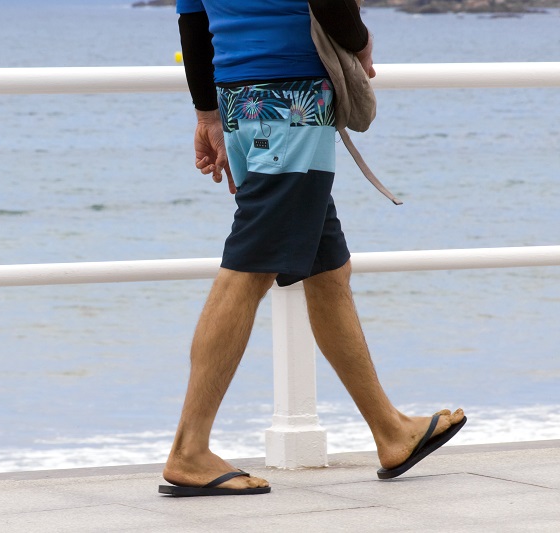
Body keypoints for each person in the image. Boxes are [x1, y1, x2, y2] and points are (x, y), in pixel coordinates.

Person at [159, 0, 466, 497]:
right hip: (292, 100)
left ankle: (390, 431)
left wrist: (207, 113)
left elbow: (192, 19)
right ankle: (189, 450)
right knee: (249, 267)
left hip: (243, 100)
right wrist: (361, 42)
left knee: (328, 269)